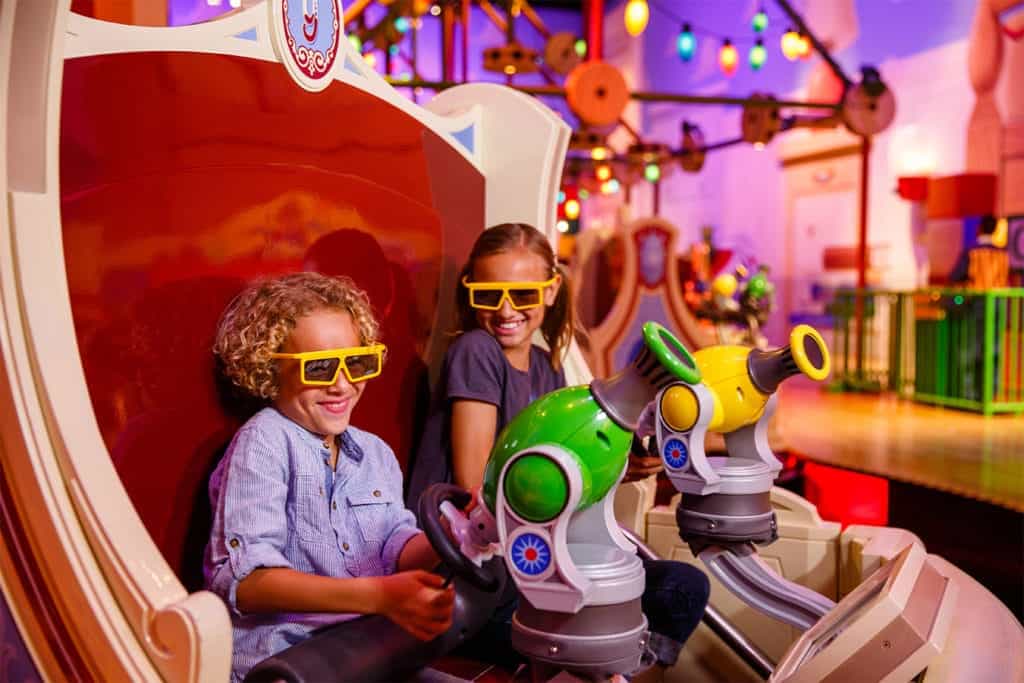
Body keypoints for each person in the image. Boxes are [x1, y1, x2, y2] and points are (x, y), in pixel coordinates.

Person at [405, 223, 710, 673]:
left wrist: (617, 468)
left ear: (550, 292)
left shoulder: (548, 369)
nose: (506, 311)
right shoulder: (476, 351)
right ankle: (599, 664)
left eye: (523, 296)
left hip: (525, 563)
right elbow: (477, 487)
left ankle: (613, 664)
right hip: (475, 573)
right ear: (471, 293)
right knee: (606, 622)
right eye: (490, 296)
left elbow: (559, 475)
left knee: (683, 587)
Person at [204, 272, 454, 682]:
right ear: (270, 369)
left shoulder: (375, 453)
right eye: (319, 368)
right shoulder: (264, 442)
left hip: (368, 653)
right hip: (289, 663)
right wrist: (378, 596)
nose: (342, 385)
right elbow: (247, 584)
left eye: (356, 363)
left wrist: (457, 534)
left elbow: (395, 546)